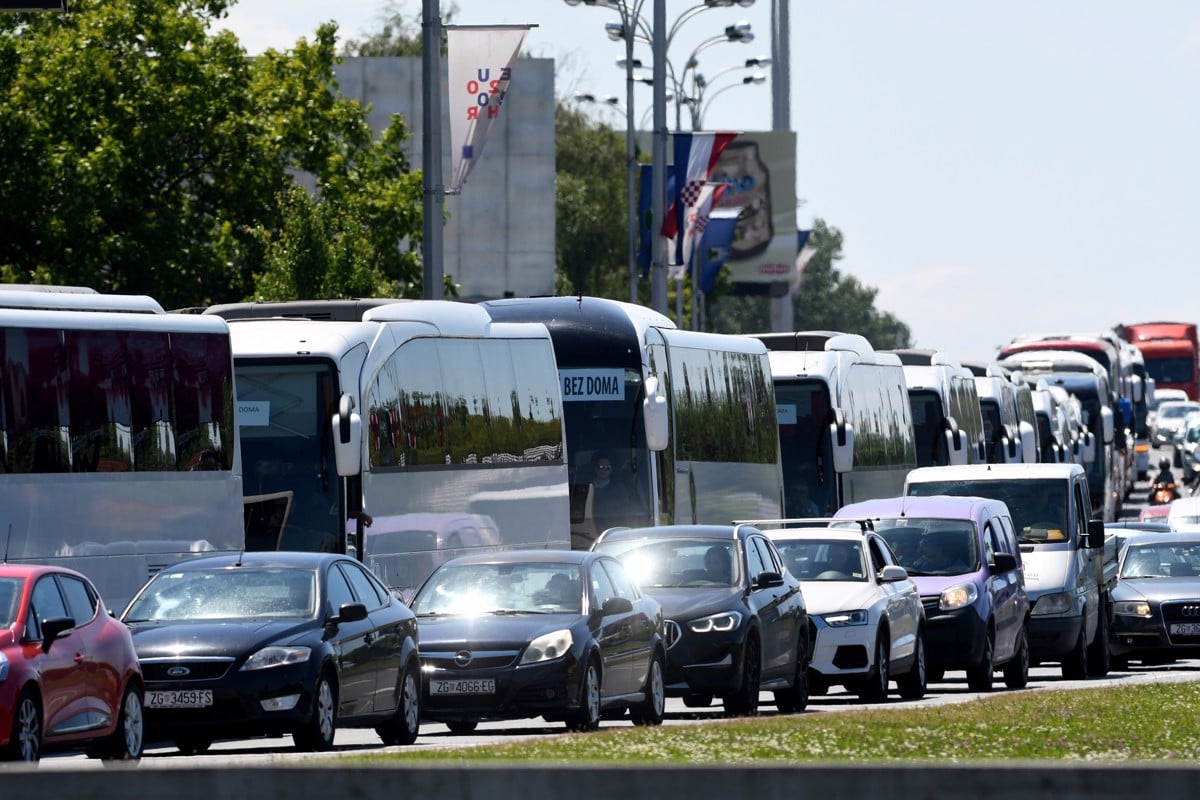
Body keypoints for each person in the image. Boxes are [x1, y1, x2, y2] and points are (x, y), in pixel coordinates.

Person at [590, 451, 633, 525]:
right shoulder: (585, 487)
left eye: (607, 467)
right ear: (595, 469)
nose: (604, 470)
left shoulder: (620, 489)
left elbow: (626, 510)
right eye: (600, 467)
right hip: (588, 526)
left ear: (612, 470)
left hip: (613, 526)